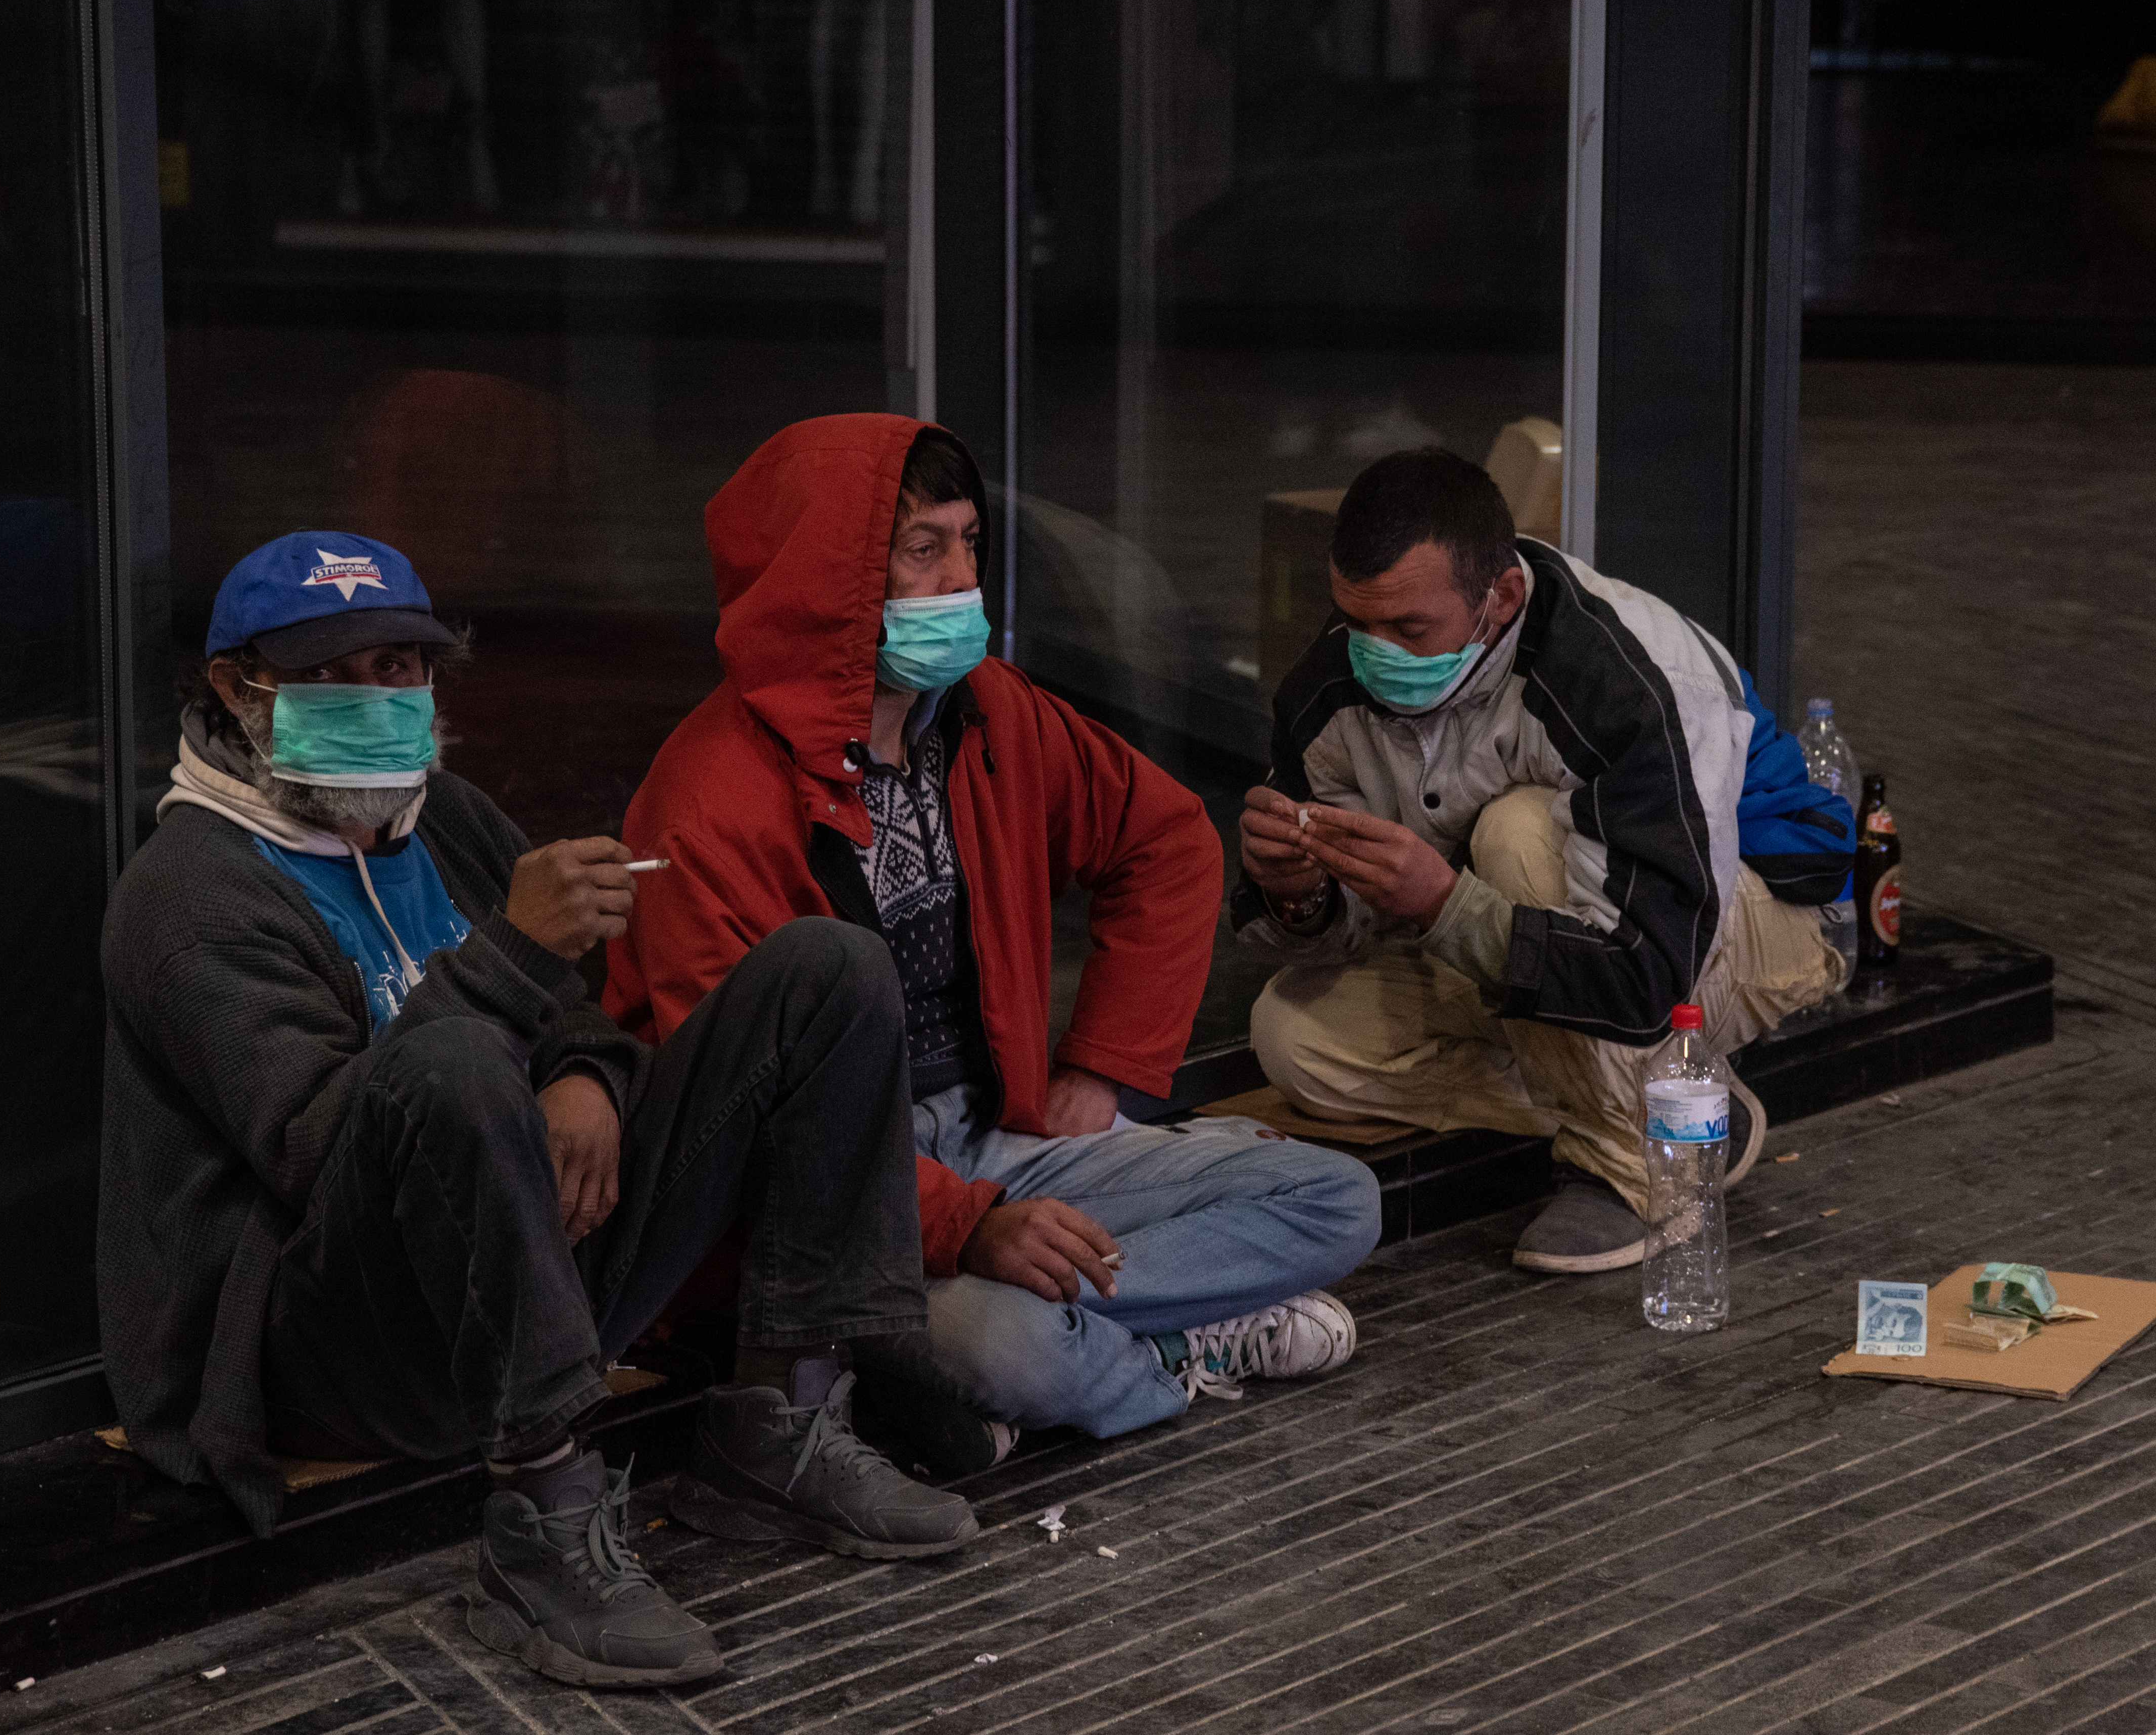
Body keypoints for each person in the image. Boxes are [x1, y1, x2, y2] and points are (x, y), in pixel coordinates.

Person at [98, 531, 976, 1693]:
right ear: (235, 685)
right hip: (317, 1351)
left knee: (830, 969)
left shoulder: (445, 818)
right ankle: (547, 1524)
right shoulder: (189, 893)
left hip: (519, 1266)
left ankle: (780, 1418)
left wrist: (584, 1080)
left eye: (402, 670)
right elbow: (318, 1145)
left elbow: (578, 1027)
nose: (383, 698)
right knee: (458, 1056)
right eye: (339, 675)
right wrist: (512, 956)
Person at [606, 414, 1382, 1475]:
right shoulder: (707, 798)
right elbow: (749, 1128)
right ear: (827, 577)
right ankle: (1170, 1346)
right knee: (1015, 1345)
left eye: (972, 541)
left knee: (1339, 1197)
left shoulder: (985, 711)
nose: (962, 579)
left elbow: (1163, 838)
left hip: (1003, 1137)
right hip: (829, 1210)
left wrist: (1100, 1065)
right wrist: (964, 1225)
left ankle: (1045, 1345)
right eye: (924, 548)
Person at [1236, 448, 1852, 1274]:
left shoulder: (1622, 674)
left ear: (1501, 597)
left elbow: (1648, 970)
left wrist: (1443, 905)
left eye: (1409, 630)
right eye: (1356, 621)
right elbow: (1343, 926)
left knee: (1517, 831)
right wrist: (1299, 893)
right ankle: (1674, 1108)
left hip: (1754, 916)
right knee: (1297, 1039)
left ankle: (1636, 1167)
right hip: (1554, 941)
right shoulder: (1332, 683)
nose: (1373, 651)